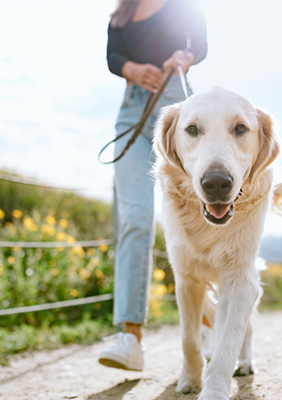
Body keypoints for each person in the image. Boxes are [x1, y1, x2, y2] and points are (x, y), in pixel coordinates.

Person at [98, 0, 208, 371]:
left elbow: (201, 45)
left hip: (178, 106)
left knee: (196, 212)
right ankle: (130, 338)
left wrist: (184, 55)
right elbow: (113, 56)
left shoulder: (183, 5)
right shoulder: (122, 13)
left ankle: (209, 319)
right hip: (131, 110)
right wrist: (132, 68)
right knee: (136, 216)